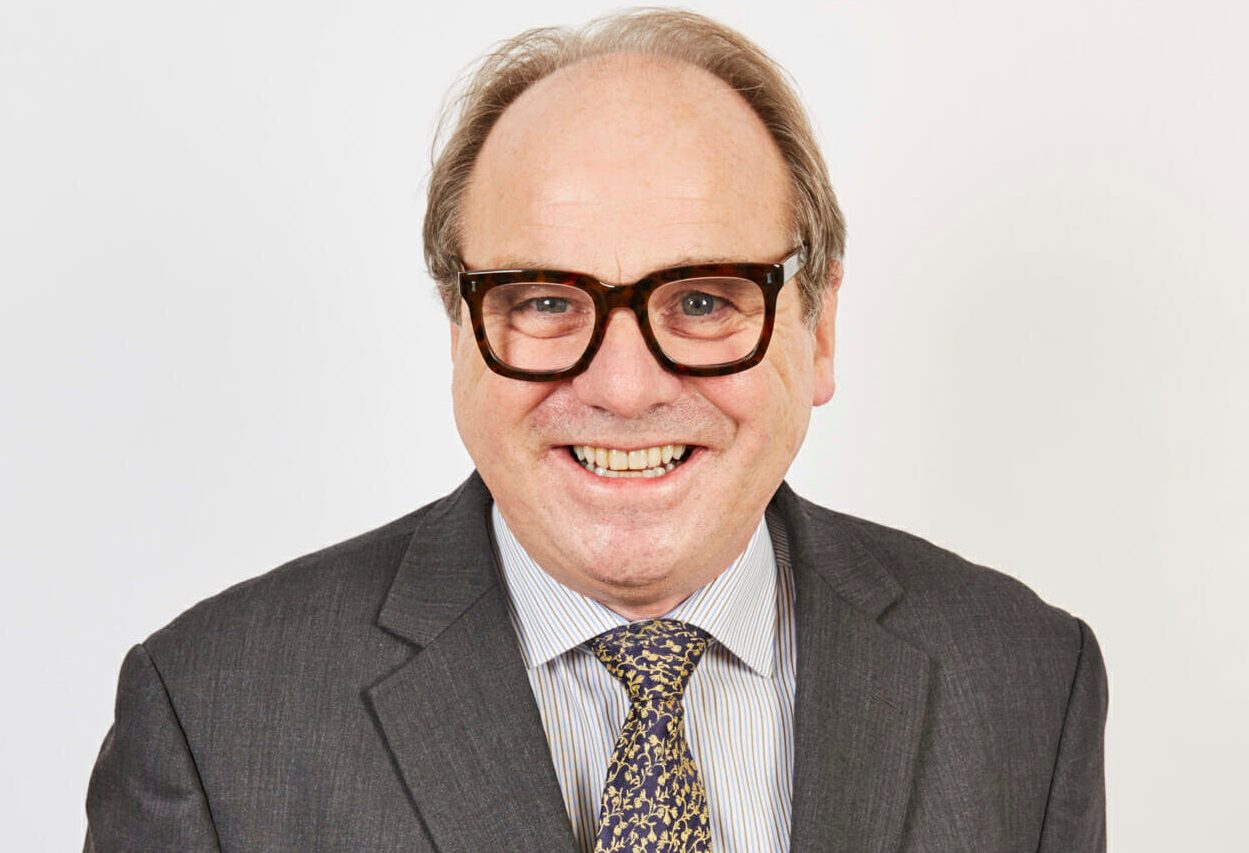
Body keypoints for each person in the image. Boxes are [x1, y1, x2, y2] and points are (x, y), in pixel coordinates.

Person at [84, 9, 1107, 852]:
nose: (623, 386)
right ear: (459, 331)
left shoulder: (1024, 679)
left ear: (819, 328)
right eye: (543, 300)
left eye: (702, 300)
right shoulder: (213, 715)